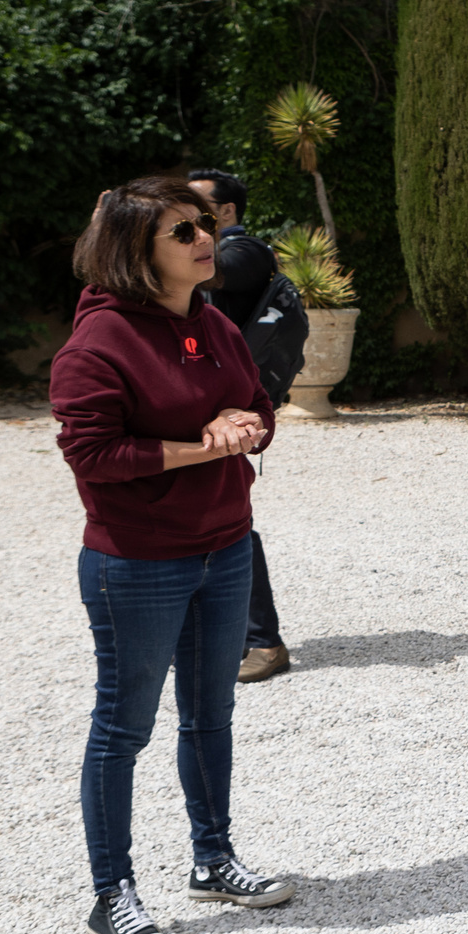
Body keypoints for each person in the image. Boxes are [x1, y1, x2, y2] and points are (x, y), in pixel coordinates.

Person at [52, 178, 293, 934]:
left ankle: (213, 859)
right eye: (183, 231)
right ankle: (111, 893)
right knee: (123, 728)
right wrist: (202, 445)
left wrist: (243, 422)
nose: (205, 238)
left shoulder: (214, 322)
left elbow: (260, 408)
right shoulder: (97, 343)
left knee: (210, 712)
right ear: (136, 250)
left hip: (225, 547)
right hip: (137, 561)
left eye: (205, 224)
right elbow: (93, 454)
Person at [187, 167, 291, 685]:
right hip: (198, 404)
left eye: (198, 213)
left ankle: (263, 641)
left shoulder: (246, 251)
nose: (191, 229)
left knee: (230, 522)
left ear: (226, 211)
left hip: (232, 408)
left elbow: (210, 275)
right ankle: (226, 637)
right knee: (202, 519)